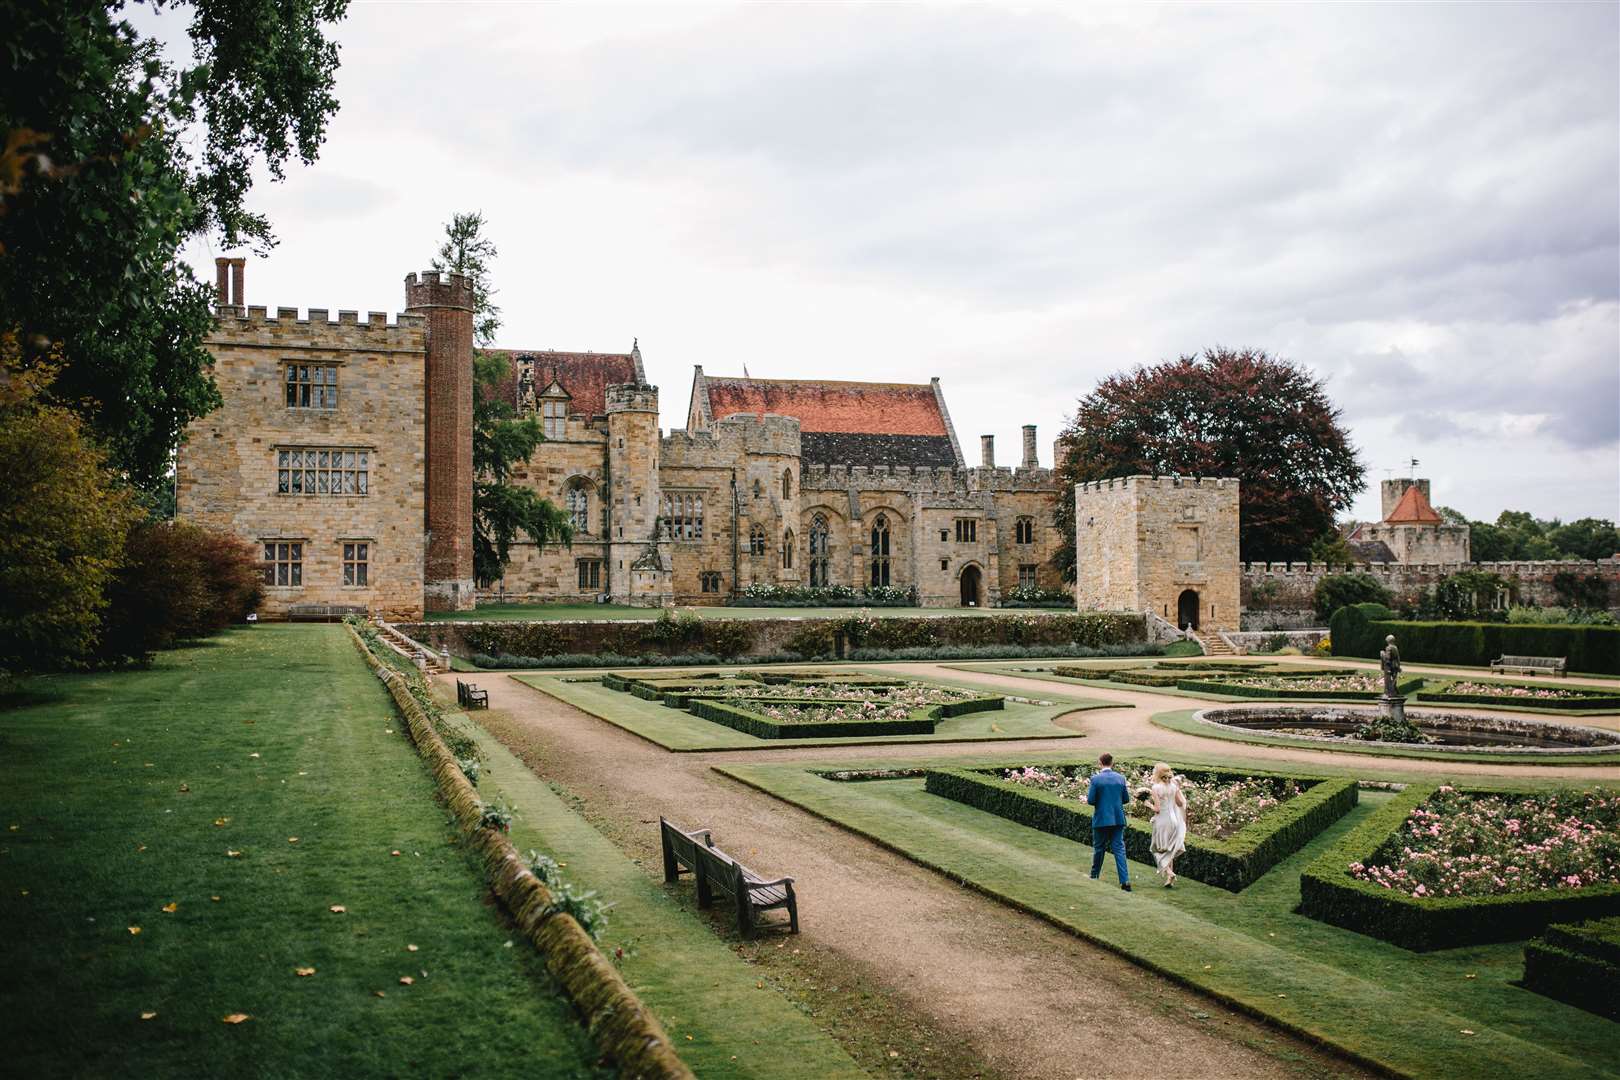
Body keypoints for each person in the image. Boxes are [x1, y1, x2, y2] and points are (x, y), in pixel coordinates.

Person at [1086, 753, 1131, 892]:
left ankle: (1094, 876)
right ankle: (1125, 881)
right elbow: (1126, 799)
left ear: (1100, 763)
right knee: (1119, 850)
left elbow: (1091, 800)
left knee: (1099, 848)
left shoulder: (1096, 779)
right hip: (1118, 819)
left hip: (1101, 819)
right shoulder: (1120, 778)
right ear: (1112, 763)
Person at [1148, 763, 1187, 887]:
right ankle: (1169, 881)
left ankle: (1170, 873)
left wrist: (1146, 804)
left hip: (1163, 821)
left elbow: (1157, 809)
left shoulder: (1155, 788)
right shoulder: (1174, 787)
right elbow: (1180, 803)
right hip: (1175, 821)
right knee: (1169, 850)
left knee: (1157, 849)